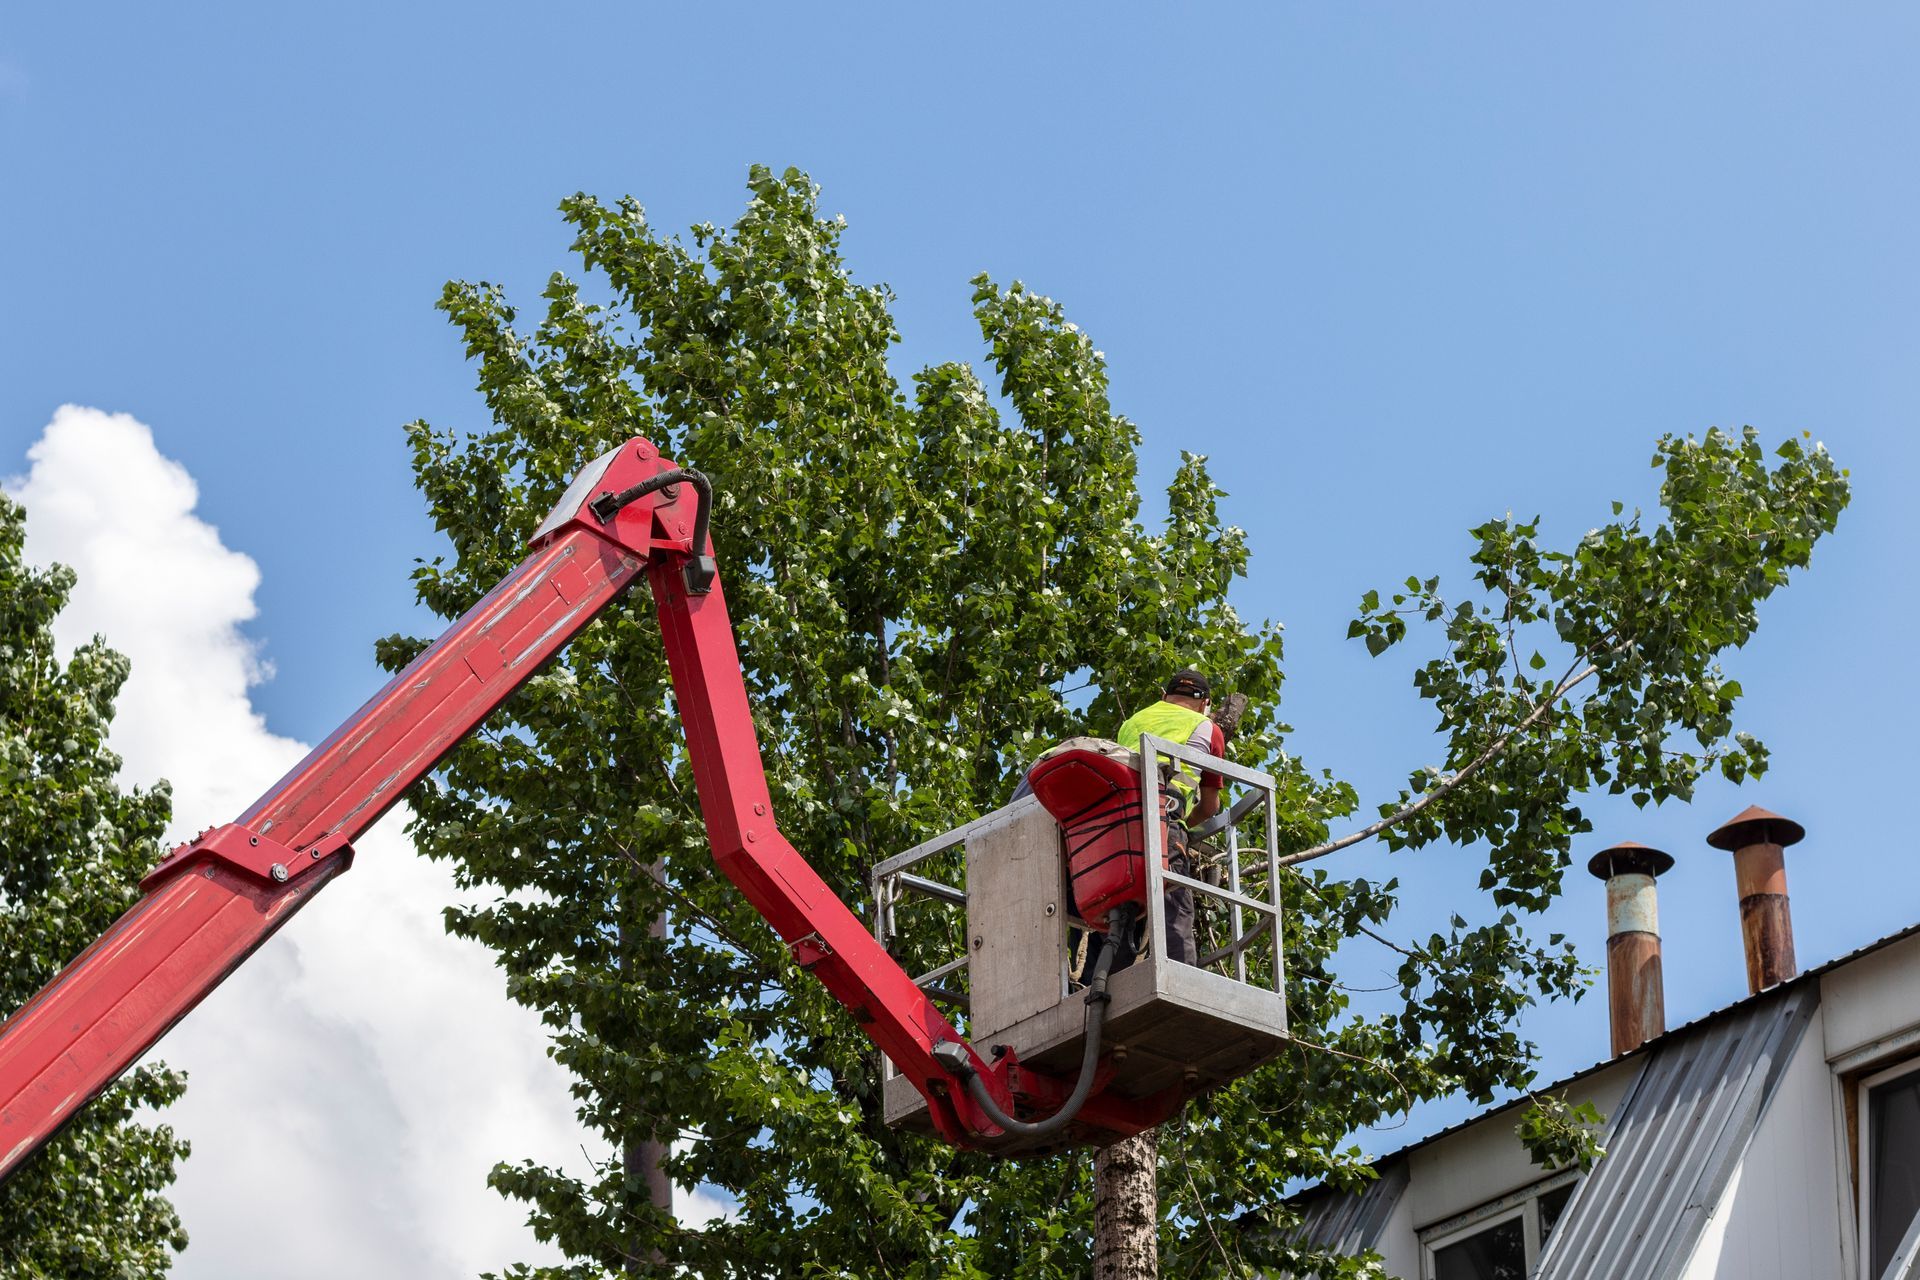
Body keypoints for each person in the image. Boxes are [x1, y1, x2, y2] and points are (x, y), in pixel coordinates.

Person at [1111, 668, 1228, 965]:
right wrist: (1182, 826)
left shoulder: (1131, 722)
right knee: (1172, 907)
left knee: (1121, 907)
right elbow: (1210, 806)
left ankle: (1108, 980)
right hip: (1165, 821)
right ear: (1205, 704)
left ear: (1164, 697)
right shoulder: (1206, 726)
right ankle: (1180, 976)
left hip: (1117, 827)